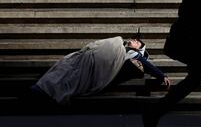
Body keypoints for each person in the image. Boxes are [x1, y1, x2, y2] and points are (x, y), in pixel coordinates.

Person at [28, 36, 170, 105]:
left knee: (68, 78)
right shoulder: (119, 44)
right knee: (63, 69)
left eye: (137, 42)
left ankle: (38, 92)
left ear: (139, 48)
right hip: (83, 58)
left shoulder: (132, 54)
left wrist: (161, 76)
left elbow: (146, 64)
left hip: (91, 65)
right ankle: (38, 89)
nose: (133, 40)